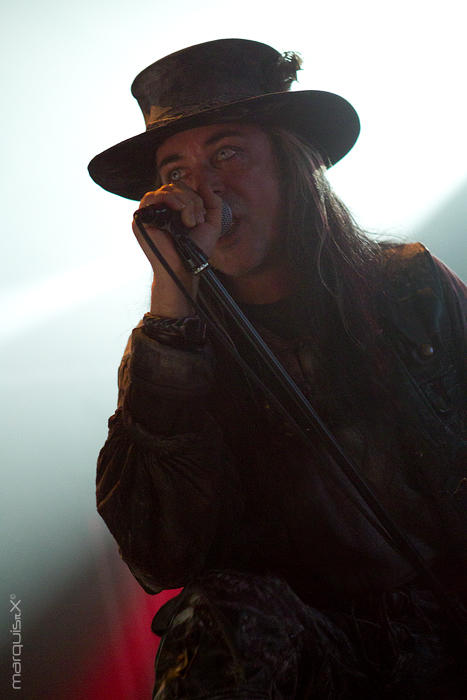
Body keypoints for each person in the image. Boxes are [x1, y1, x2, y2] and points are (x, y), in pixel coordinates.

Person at [88, 39, 466, 699]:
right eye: (174, 170)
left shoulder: (407, 288)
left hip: (447, 623)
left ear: (294, 166)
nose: (200, 187)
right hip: (314, 647)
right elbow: (160, 554)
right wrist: (172, 302)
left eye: (227, 153)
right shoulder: (170, 351)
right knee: (220, 621)